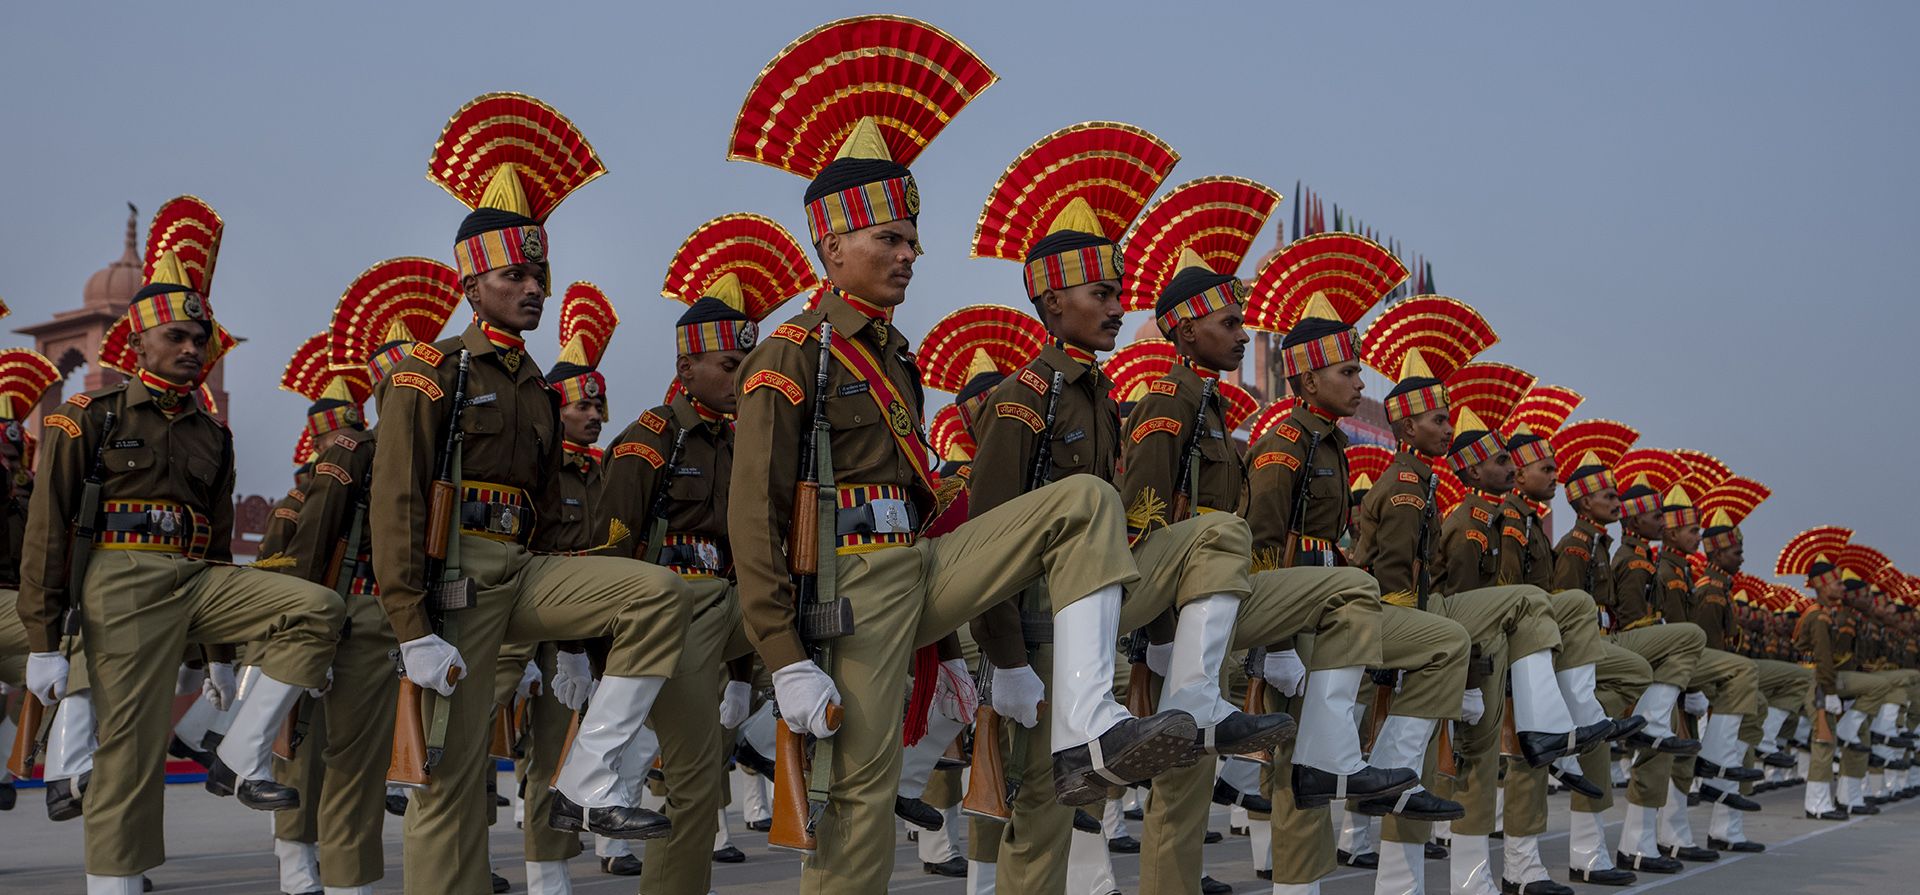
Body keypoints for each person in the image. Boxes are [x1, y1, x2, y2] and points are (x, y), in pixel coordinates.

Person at [725, 24, 1194, 885]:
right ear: (831, 248)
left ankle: (1086, 724)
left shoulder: (893, 355)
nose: (911, 254)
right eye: (890, 239)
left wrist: (1006, 657)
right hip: (852, 585)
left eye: (912, 237)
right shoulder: (794, 352)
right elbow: (752, 511)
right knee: (859, 798)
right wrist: (783, 653)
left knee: (1084, 500)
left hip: (923, 563)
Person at [373, 93, 693, 895]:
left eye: (539, 273)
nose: (533, 288)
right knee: (449, 773)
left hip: (525, 568)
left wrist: (577, 637)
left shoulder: (537, 392)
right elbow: (399, 505)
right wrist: (412, 626)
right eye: (514, 274)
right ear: (470, 281)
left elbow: (551, 517)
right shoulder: (429, 372)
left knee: (654, 592)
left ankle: (590, 774)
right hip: (457, 576)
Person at [19, 196, 346, 894]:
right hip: (122, 581)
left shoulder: (212, 433)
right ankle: (112, 882)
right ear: (136, 345)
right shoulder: (87, 417)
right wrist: (46, 638)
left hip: (197, 578)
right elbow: (48, 530)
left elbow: (220, 539)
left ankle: (237, 751)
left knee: (315, 608)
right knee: (128, 756)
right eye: (178, 337)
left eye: (202, 339)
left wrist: (221, 657)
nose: (194, 348)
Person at [1122, 206, 1419, 895]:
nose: (1241, 331)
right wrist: (1160, 632)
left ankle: (1323, 775)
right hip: (1180, 605)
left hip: (1220, 602)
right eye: (1228, 321)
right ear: (1186, 326)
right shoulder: (1169, 401)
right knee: (1182, 762)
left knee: (1216, 750)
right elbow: (1146, 521)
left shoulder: (1215, 410)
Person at [598, 217, 812, 894]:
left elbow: (754, 565)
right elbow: (609, 547)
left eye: (749, 365)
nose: (741, 377)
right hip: (663, 624)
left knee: (695, 785)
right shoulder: (653, 437)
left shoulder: (749, 442)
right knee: (678, 777)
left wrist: (747, 671)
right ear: (686, 367)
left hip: (722, 626)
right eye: (728, 365)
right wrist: (590, 654)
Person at [1544, 428, 1706, 885]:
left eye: (1618, 495)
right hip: (1584, 651)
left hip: (1602, 648)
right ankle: (1592, 852)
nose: (1616, 502)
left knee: (1612, 743)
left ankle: (1617, 847)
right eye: (1607, 495)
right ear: (1581, 503)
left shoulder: (1601, 547)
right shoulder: (1579, 549)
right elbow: (1574, 613)